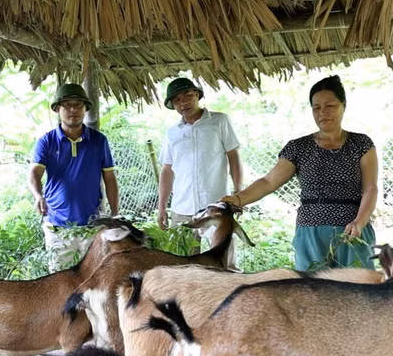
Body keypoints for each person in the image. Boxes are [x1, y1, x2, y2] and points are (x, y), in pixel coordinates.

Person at [221, 75, 378, 271]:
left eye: (330, 106)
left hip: (353, 230)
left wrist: (359, 222)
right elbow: (269, 182)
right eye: (316, 108)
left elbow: (370, 188)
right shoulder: (298, 147)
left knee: (359, 286)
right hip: (311, 230)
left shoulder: (362, 144)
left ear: (343, 106)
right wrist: (238, 199)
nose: (323, 112)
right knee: (311, 287)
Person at [28, 83, 119, 271]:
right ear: (57, 109)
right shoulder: (46, 142)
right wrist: (38, 196)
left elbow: (110, 178)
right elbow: (34, 174)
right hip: (57, 227)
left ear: (86, 108)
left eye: (78, 105)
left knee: (95, 276)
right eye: (67, 105)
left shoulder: (98, 141)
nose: (73, 110)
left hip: (92, 225)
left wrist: (115, 214)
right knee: (61, 279)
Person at [157, 77, 242, 261]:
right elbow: (167, 170)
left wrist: (238, 193)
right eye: (177, 100)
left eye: (187, 96)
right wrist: (162, 207)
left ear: (197, 94)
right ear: (173, 105)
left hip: (216, 205)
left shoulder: (219, 121)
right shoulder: (172, 133)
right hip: (182, 208)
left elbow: (233, 157)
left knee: (225, 261)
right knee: (184, 264)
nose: (183, 103)